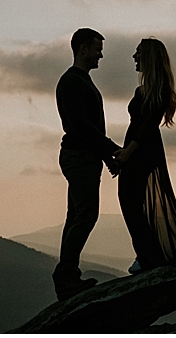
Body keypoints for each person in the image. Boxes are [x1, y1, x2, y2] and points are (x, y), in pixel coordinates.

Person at [52, 28, 122, 301]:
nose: (100, 55)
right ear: (82, 49)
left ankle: (68, 277)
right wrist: (112, 150)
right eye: (96, 49)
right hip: (80, 157)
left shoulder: (79, 81)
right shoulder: (72, 82)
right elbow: (82, 126)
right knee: (86, 215)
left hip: (84, 156)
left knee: (76, 216)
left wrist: (106, 158)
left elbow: (90, 128)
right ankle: (65, 276)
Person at [114, 38, 176, 274]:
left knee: (130, 200)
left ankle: (148, 256)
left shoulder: (161, 90)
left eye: (138, 54)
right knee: (131, 201)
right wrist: (124, 153)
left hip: (143, 150)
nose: (134, 58)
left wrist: (128, 153)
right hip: (137, 149)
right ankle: (146, 254)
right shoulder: (143, 90)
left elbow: (147, 126)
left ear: (149, 57)